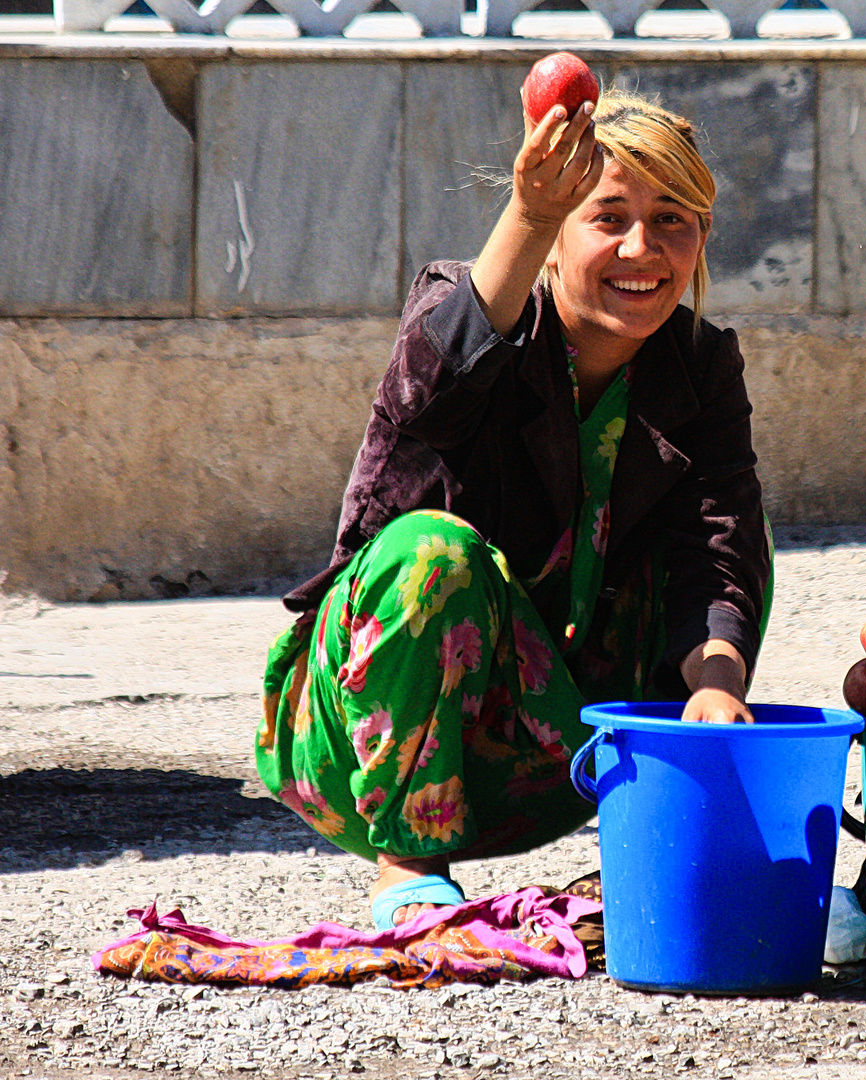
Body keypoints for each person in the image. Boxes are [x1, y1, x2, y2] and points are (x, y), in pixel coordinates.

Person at [254, 89, 773, 930]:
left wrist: (717, 687)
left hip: (549, 758)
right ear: (558, 234)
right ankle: (408, 864)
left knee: (746, 553)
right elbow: (429, 394)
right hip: (360, 743)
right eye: (607, 216)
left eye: (673, 219)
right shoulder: (464, 304)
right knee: (431, 555)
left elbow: (718, 542)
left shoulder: (699, 366)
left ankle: (661, 811)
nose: (642, 249)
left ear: (703, 239)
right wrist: (528, 215)